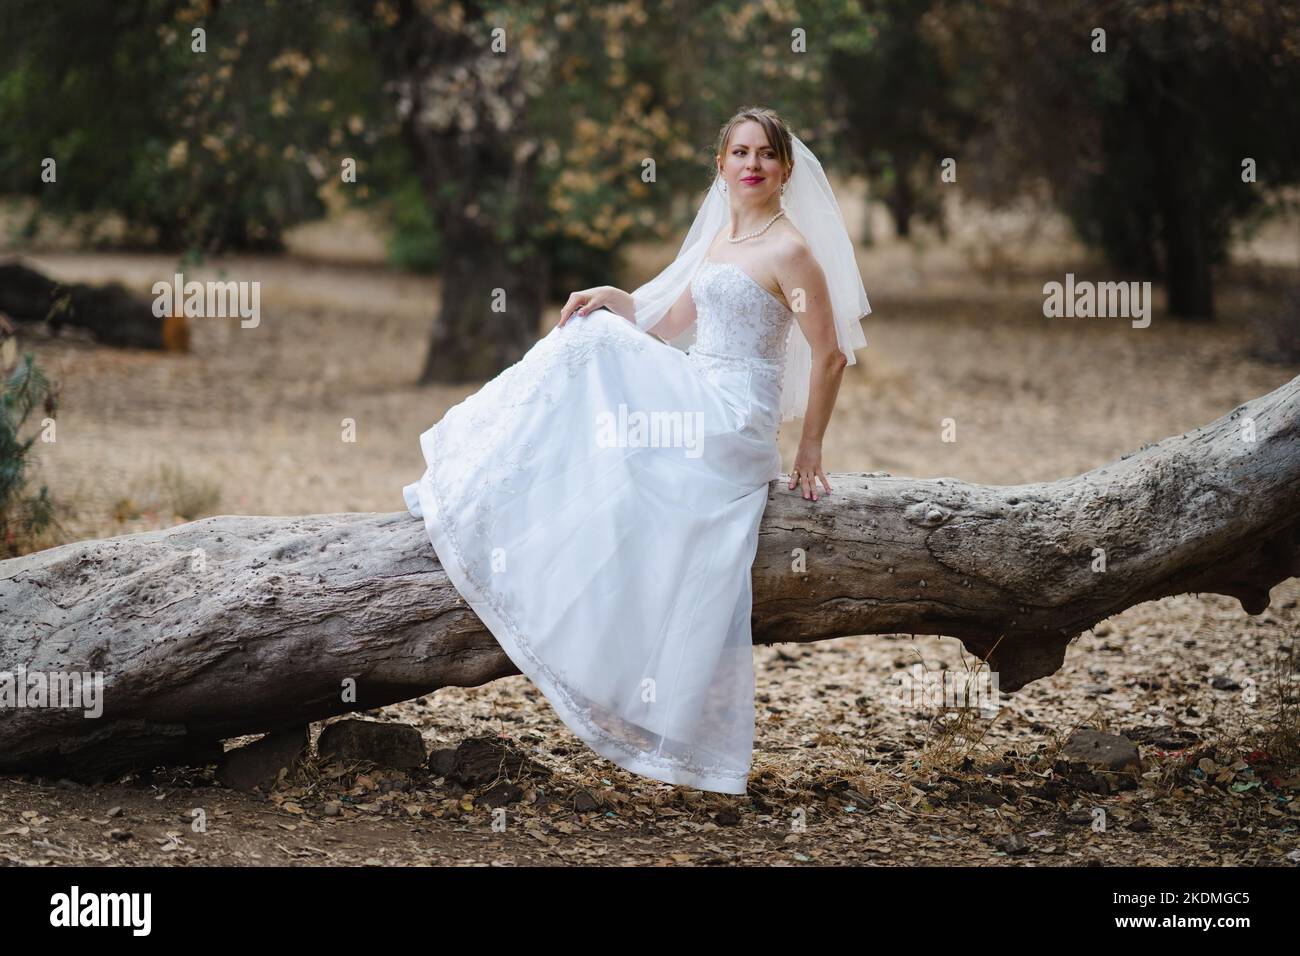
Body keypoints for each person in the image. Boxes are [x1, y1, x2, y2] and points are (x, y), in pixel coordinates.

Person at [402, 106, 870, 794]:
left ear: (785, 169)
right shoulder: (723, 238)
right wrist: (612, 297)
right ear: (721, 165)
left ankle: (490, 494)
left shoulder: (789, 250)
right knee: (590, 333)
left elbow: (830, 356)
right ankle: (478, 482)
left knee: (598, 364)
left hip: (735, 417)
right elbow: (672, 324)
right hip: (698, 389)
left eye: (765, 155)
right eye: (739, 152)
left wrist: (809, 449)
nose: (751, 165)